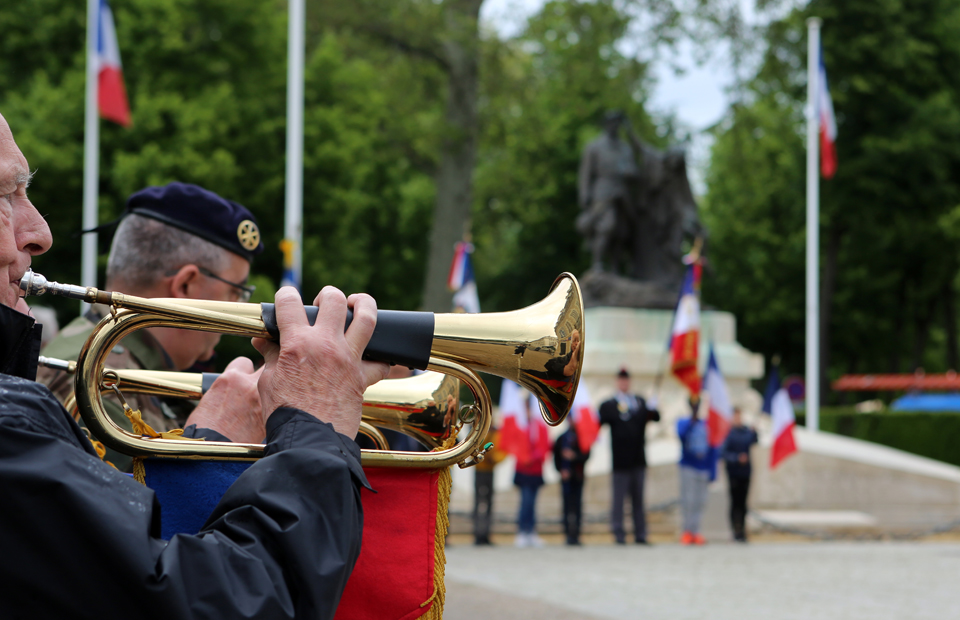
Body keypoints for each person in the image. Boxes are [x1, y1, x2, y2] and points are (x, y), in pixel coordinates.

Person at [0, 110, 389, 618]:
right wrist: (296, 434)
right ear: (184, 285)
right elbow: (167, 586)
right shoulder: (88, 372)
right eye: (6, 195)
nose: (41, 233)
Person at [37, 182, 264, 469]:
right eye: (237, 291)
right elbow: (161, 510)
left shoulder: (116, 367)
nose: (240, 306)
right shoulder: (96, 381)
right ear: (186, 284)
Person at [598, 367, 660, 545]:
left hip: (638, 459)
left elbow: (655, 417)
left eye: (626, 380)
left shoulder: (639, 402)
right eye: (621, 380)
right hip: (620, 461)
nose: (624, 383)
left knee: (638, 500)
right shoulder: (610, 404)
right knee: (618, 500)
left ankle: (640, 533)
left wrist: (654, 406)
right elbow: (599, 420)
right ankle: (619, 533)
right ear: (617, 382)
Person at [576, 110, 642, 274]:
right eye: (611, 122)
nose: (614, 126)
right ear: (606, 124)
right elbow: (585, 173)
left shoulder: (624, 148)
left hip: (622, 192)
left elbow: (634, 171)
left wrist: (630, 172)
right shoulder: (594, 146)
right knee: (606, 226)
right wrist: (584, 195)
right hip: (603, 191)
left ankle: (615, 267)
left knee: (622, 232)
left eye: (617, 123)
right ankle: (597, 263)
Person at [677, 397, 718, 545]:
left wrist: (713, 472)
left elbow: (713, 449)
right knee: (688, 501)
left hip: (703, 469)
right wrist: (691, 422)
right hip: (688, 467)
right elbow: (681, 436)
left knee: (700, 502)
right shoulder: (683, 422)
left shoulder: (706, 425)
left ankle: (696, 531)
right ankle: (686, 531)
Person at [513, 392, 551, 548]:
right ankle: (523, 530)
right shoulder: (520, 425)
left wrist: (534, 456)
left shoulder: (539, 426)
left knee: (532, 502)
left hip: (535, 470)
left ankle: (531, 531)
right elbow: (514, 446)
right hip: (523, 470)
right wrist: (525, 457)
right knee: (525, 501)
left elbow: (545, 446)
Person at [721, 407, 758, 542]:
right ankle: (735, 530)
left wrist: (755, 431)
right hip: (733, 472)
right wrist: (737, 458)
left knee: (743, 503)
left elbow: (754, 440)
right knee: (734, 502)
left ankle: (742, 529)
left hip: (745, 472)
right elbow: (723, 453)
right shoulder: (728, 433)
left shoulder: (745, 431)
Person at [553, 421, 590, 545]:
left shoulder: (581, 437)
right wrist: (561, 470)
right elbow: (556, 457)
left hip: (578, 477)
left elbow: (586, 455)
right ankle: (567, 534)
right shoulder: (561, 439)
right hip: (566, 478)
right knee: (566, 506)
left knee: (577, 506)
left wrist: (574, 456)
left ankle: (577, 534)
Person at [473, 424, 505, 545]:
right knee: (478, 502)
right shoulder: (480, 431)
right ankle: (478, 533)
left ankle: (486, 533)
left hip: (490, 470)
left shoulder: (496, 433)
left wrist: (495, 459)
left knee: (488, 503)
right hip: (480, 469)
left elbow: (502, 449)